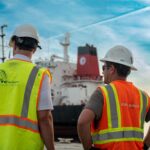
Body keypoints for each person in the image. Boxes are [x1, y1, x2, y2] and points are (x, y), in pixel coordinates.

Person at [77, 45, 150, 150]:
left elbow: (82, 122)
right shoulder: (143, 96)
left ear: (111, 69)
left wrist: (89, 148)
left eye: (104, 67)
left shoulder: (102, 93)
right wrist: (146, 145)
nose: (102, 72)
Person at [0, 24, 55, 150]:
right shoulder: (39, 74)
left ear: (13, 44)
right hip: (25, 145)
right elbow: (44, 118)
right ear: (35, 49)